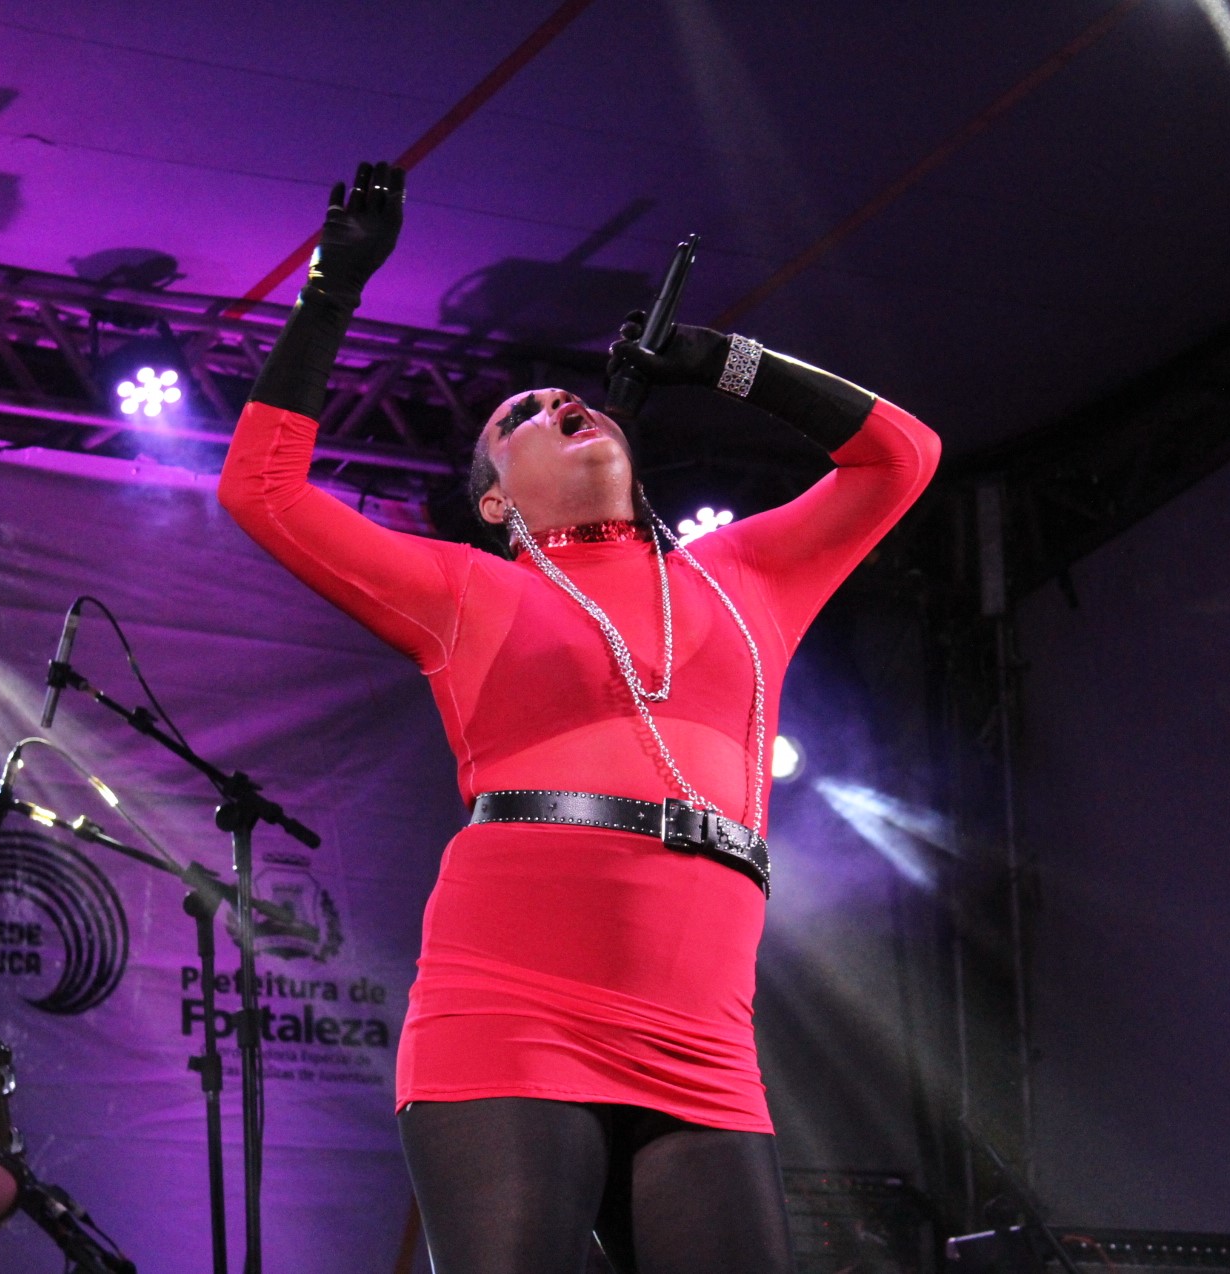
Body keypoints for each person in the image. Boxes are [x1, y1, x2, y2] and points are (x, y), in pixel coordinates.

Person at [218, 162, 940, 1274]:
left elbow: (901, 457)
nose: (561, 404)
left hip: (702, 1036)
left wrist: (725, 363)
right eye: (519, 417)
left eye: (574, 399)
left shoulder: (743, 572)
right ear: (494, 502)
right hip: (512, 1005)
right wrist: (331, 290)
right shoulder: (466, 590)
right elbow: (261, 490)